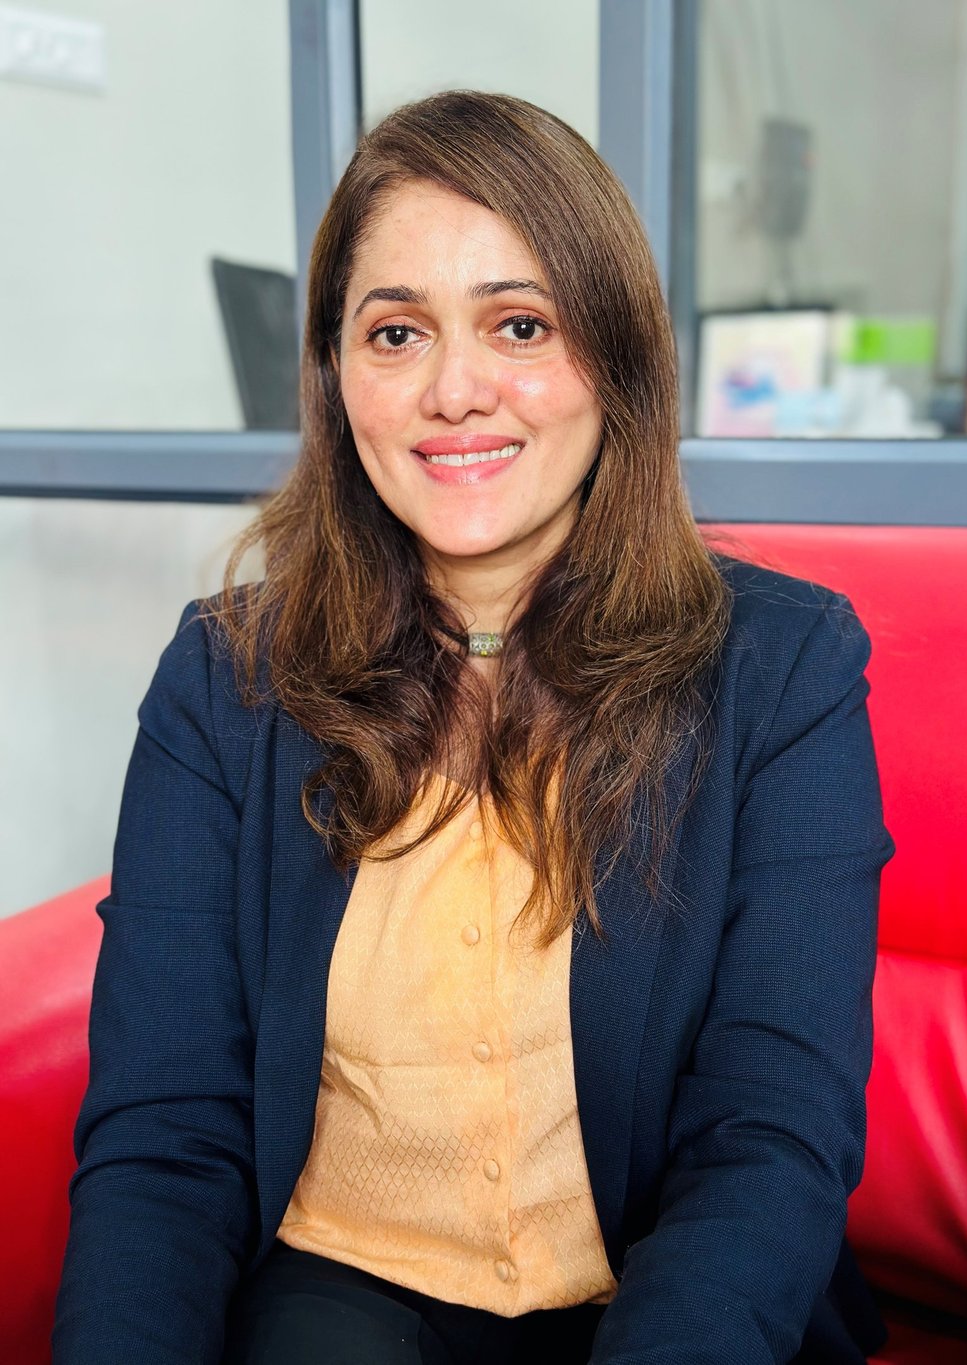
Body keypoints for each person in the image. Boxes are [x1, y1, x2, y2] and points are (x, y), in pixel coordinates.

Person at [53, 91, 895, 1365]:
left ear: (616, 358)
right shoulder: (225, 682)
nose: (455, 391)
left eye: (520, 325)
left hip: (663, 1301)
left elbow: (767, 1139)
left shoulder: (784, 669)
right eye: (396, 333)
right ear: (337, 378)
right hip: (339, 1297)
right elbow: (163, 1140)